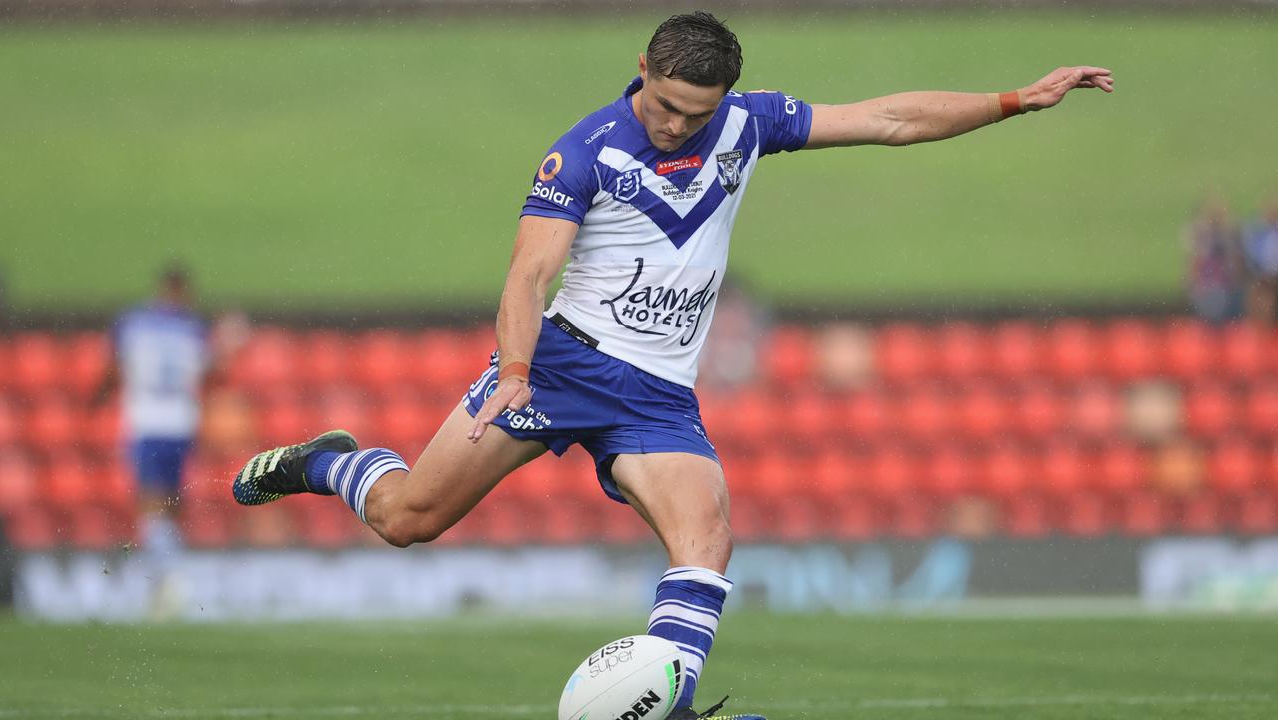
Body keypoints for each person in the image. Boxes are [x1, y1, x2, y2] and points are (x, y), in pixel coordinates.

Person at [231, 13, 1112, 718]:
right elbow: (529, 273)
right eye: (666, 105)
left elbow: (887, 120)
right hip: (561, 366)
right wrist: (511, 372)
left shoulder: (747, 123)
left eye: (698, 111)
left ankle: (675, 708)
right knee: (406, 518)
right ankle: (327, 460)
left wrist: (1011, 101)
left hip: (656, 397)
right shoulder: (584, 152)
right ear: (642, 68)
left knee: (708, 539)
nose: (679, 123)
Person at [97, 264, 241, 618]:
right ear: (183, 291)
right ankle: (163, 583)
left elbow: (113, 369)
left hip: (147, 423)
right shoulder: (193, 328)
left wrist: (97, 398)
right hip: (180, 424)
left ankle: (169, 582)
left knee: (151, 505)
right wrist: (230, 343)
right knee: (171, 506)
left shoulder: (133, 323)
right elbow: (212, 373)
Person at [1183, 195, 1243, 325]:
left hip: (1223, 288)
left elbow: (1235, 265)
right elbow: (1194, 263)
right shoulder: (1202, 237)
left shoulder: (1229, 237)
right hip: (1207, 288)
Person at [1242, 193, 1278, 326]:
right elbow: (1251, 257)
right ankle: (1257, 326)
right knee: (1257, 293)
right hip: (1261, 277)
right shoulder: (1257, 233)